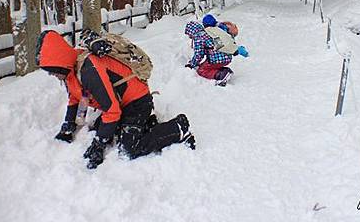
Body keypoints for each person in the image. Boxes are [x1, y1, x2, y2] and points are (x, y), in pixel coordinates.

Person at [36, 30, 195, 169]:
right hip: (122, 103)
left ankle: (178, 128)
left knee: (129, 148)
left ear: (60, 64)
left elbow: (112, 110)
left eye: (52, 71)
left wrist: (99, 144)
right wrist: (70, 125)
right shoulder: (71, 70)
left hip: (137, 102)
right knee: (100, 128)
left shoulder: (88, 69)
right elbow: (78, 97)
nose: (52, 75)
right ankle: (147, 124)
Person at [184, 21, 234, 86]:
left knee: (201, 70)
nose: (189, 37)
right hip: (226, 56)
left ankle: (222, 75)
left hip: (217, 59)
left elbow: (198, 54)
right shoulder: (208, 32)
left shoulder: (198, 37)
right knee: (205, 65)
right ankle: (225, 71)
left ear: (191, 31)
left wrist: (192, 64)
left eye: (189, 34)